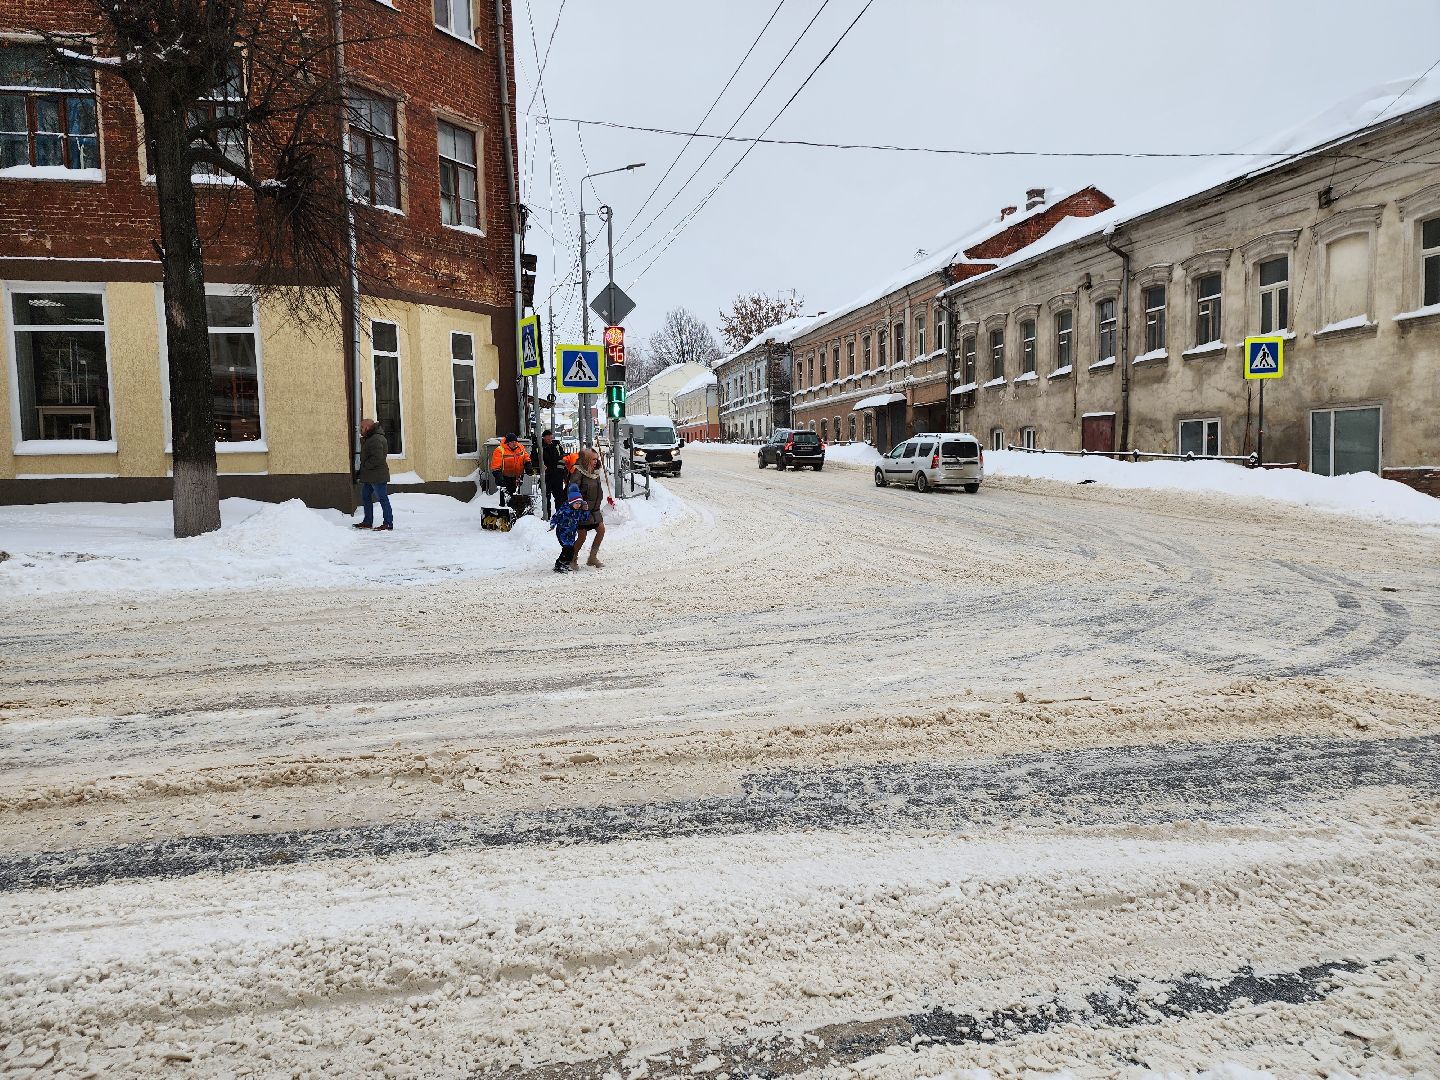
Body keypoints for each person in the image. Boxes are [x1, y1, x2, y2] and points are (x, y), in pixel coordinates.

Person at [572, 447, 614, 569]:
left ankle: (592, 558)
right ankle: (573, 558)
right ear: (586, 460)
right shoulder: (578, 472)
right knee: (582, 536)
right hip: (582, 510)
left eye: (596, 459)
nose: (596, 461)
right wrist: (578, 504)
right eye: (593, 459)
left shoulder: (595, 472)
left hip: (594, 510)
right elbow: (573, 490)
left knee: (601, 530)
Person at [354, 418, 393, 531]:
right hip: (370, 476)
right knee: (366, 496)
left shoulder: (376, 439)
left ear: (367, 427)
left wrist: (365, 466)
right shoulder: (370, 438)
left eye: (362, 427)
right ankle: (367, 521)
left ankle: (388, 523)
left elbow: (377, 458)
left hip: (378, 476)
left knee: (382, 498)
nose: (360, 430)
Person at [549, 484, 589, 573]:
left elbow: (584, 518)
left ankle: (564, 564)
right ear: (571, 502)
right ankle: (560, 564)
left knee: (570, 551)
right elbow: (556, 517)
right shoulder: (564, 509)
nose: (578, 505)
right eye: (576, 503)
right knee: (568, 549)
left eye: (580, 503)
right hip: (562, 533)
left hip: (571, 534)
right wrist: (552, 524)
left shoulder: (578, 512)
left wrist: (585, 510)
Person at [489, 432, 530, 498]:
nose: (514, 443)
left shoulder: (520, 447)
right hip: (505, 477)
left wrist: (528, 466)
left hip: (517, 477)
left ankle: (514, 506)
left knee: (515, 495)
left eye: (515, 441)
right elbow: (495, 466)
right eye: (512, 442)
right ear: (508, 442)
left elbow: (526, 458)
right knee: (505, 497)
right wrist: (500, 478)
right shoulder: (500, 450)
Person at [540, 429, 568, 511]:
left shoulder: (557, 446)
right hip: (546, 476)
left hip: (557, 475)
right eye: (547, 437)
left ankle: (559, 514)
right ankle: (546, 515)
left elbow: (563, 457)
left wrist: (562, 471)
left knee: (559, 496)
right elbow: (534, 459)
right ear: (544, 437)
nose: (549, 439)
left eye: (550, 437)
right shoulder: (540, 446)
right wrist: (540, 465)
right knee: (546, 497)